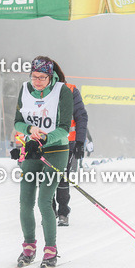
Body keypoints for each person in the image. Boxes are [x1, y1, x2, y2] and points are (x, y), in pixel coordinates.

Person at [11, 56, 73, 268]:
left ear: (51, 76)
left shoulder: (63, 91)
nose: (37, 82)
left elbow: (65, 127)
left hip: (56, 150)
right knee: (25, 202)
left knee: (44, 201)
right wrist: (29, 131)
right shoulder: (25, 89)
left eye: (42, 78)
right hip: (31, 151)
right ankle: (29, 246)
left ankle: (51, 249)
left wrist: (45, 138)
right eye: (34, 77)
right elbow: (17, 122)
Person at [46, 58, 88, 227]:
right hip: (45, 143)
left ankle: (63, 212)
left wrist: (80, 142)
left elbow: (81, 117)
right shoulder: (38, 92)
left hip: (67, 143)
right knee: (46, 179)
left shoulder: (70, 90)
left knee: (62, 179)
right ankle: (50, 210)